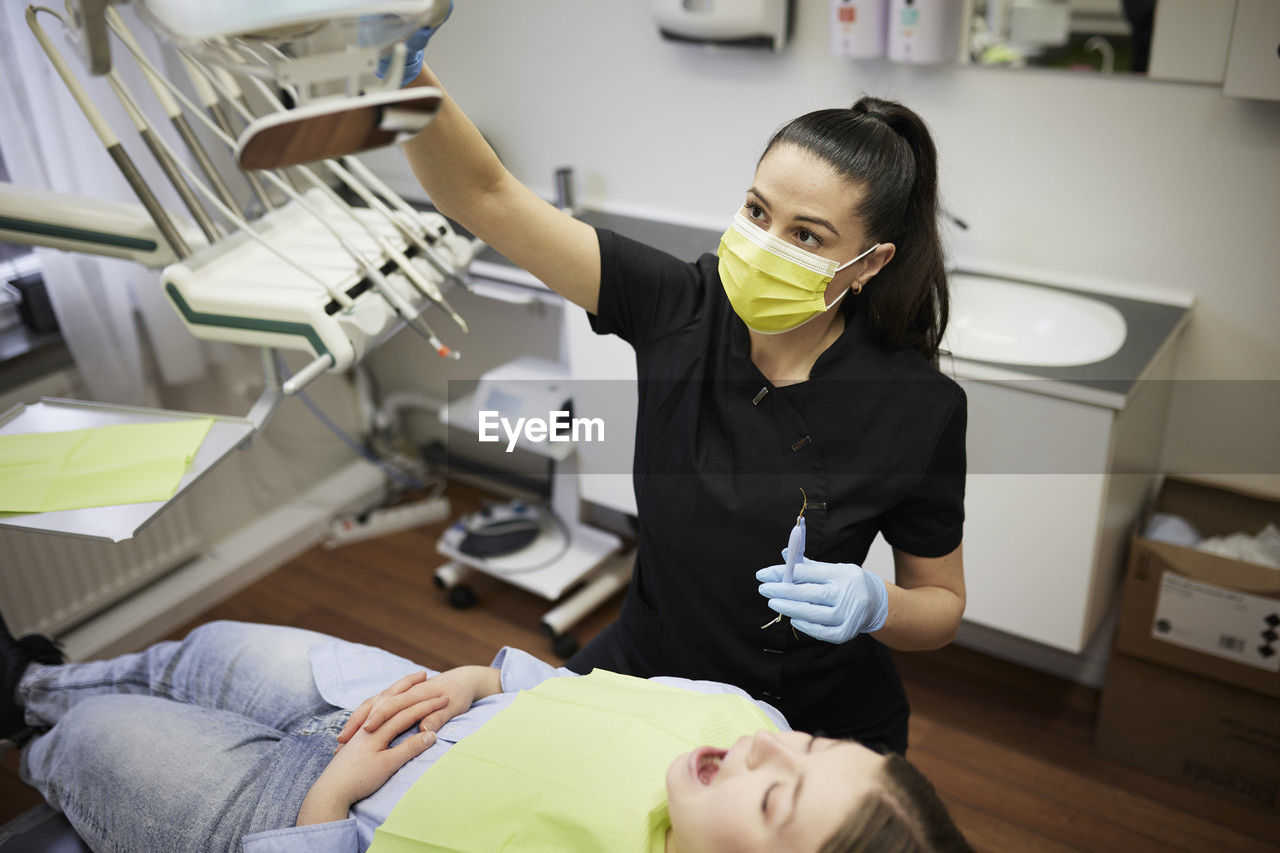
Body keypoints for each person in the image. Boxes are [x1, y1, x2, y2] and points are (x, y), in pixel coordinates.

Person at [395, 14, 966, 753]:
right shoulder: (680, 306)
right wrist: (398, 73)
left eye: (806, 235)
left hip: (807, 720)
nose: (764, 244)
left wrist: (876, 602)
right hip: (649, 666)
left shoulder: (913, 406)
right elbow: (485, 194)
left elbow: (942, 606)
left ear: (869, 263)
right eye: (758, 210)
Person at [1, 616, 972, 851]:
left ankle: (27, 730)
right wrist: (481, 676)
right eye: (810, 744)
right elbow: (592, 692)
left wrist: (326, 804)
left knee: (93, 744)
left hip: (300, 813)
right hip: (397, 697)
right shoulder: (745, 718)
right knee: (200, 651)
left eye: (773, 799)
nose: (764, 749)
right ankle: (34, 682)